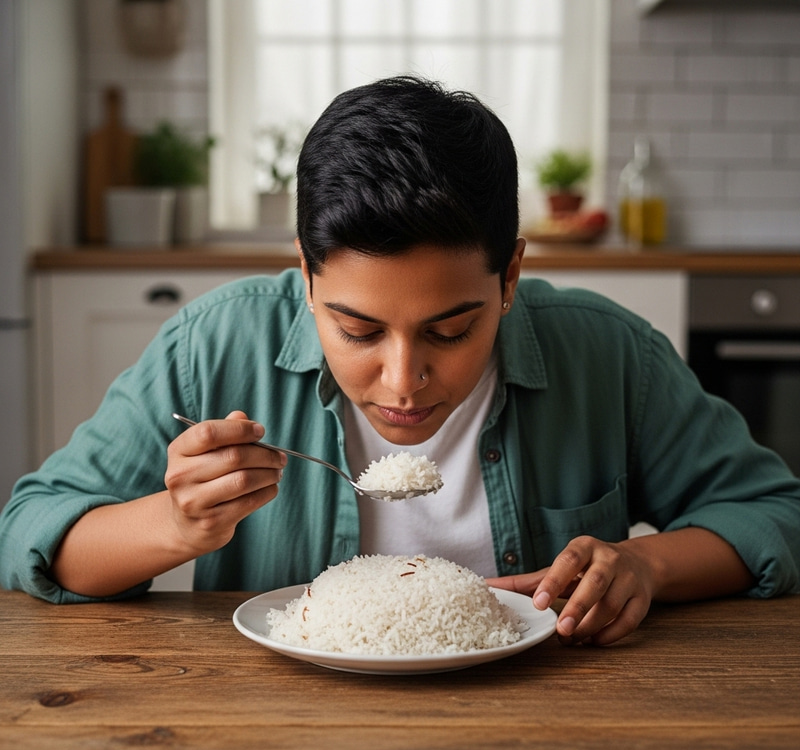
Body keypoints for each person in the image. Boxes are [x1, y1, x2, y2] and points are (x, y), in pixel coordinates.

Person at [1, 76, 799, 646]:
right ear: (307, 279)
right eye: (357, 330)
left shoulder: (608, 352)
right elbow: (29, 532)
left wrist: (647, 565)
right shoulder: (214, 345)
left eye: (451, 332)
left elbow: (774, 515)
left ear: (510, 275)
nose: (402, 380)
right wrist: (172, 524)